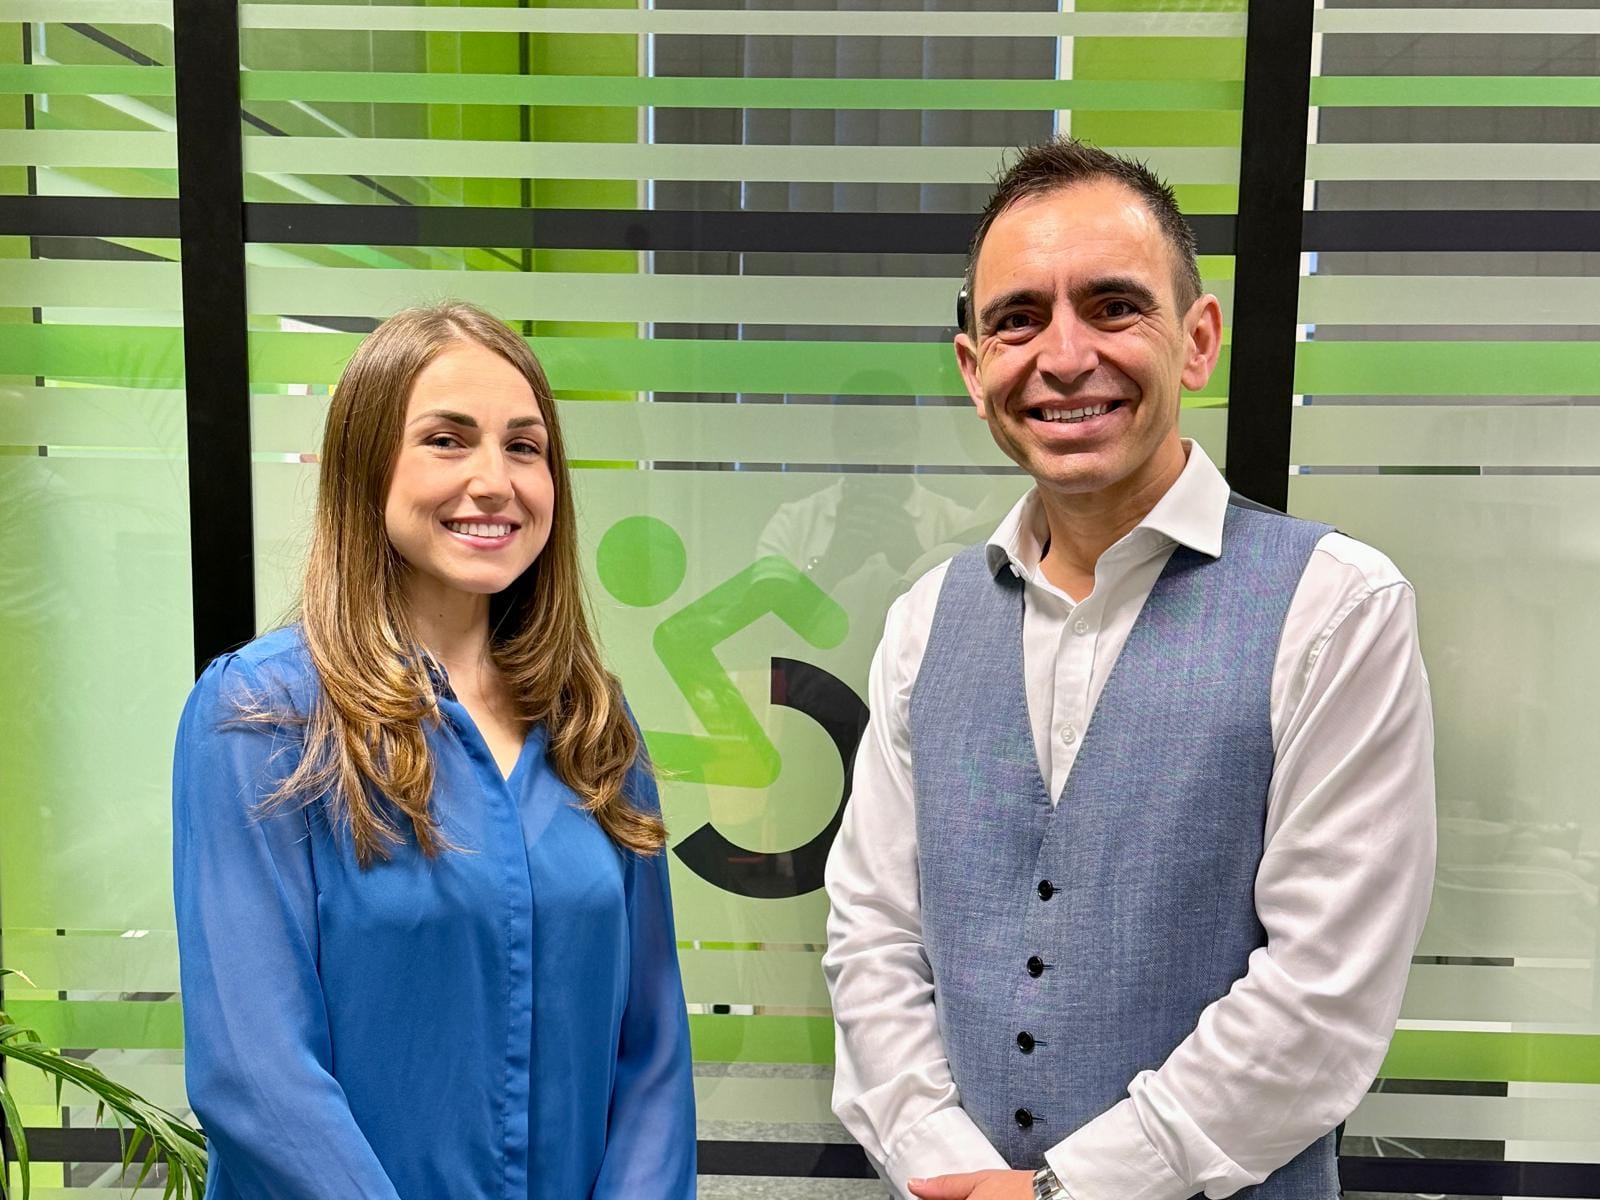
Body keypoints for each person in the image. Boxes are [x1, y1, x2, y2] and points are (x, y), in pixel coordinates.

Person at [822, 139, 1436, 1200]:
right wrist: (949, 1168)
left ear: (1196, 341)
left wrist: (1067, 1191)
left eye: (1112, 307)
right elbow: (871, 933)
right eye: (1017, 318)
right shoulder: (925, 622)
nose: (1062, 356)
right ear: (973, 370)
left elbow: (1322, 994)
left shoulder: (1337, 607)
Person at [172, 303, 696, 1199]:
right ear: (368, 466)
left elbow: (650, 1052)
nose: (495, 480)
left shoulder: (592, 723)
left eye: (524, 447)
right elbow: (255, 1074)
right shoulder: (261, 717)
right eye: (448, 441)